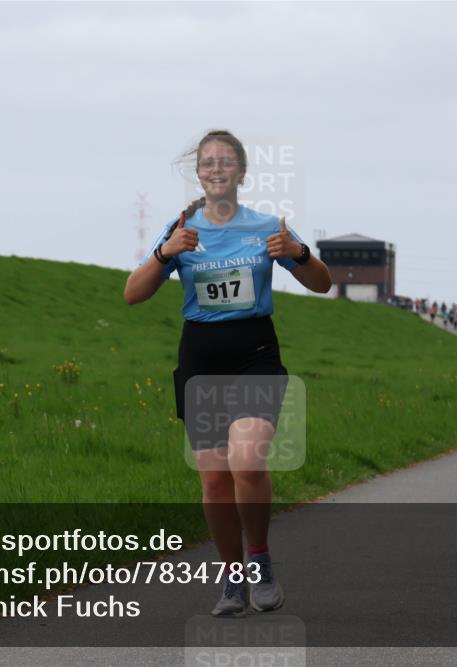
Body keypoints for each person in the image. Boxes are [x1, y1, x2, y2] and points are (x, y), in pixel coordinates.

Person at [124, 130, 332, 616]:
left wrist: (298, 254)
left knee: (247, 460)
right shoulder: (180, 229)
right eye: (208, 163)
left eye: (225, 162)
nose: (216, 169)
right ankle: (232, 580)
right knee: (215, 482)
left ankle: (259, 562)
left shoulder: (267, 226)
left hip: (254, 353)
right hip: (201, 360)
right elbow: (132, 294)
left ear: (240, 171)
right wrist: (166, 253)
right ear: (198, 173)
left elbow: (322, 284)